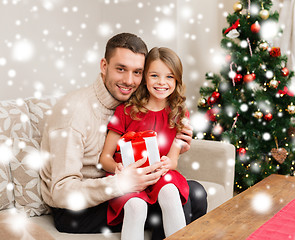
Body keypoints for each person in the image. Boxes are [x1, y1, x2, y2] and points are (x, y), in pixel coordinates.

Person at [39, 33, 207, 239]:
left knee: (193, 192)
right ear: (103, 66)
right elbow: (62, 192)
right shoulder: (74, 112)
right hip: (78, 209)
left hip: (119, 187)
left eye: (137, 72)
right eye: (121, 69)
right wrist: (121, 184)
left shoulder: (131, 103)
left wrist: (177, 146)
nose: (129, 80)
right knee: (190, 198)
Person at [99, 47, 189, 240]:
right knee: (136, 206)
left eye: (170, 77)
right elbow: (105, 157)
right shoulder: (125, 111)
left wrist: (167, 164)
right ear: (145, 78)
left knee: (170, 191)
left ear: (177, 80)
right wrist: (119, 169)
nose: (162, 82)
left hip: (159, 176)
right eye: (155, 75)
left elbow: (173, 161)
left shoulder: (180, 114)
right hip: (130, 178)